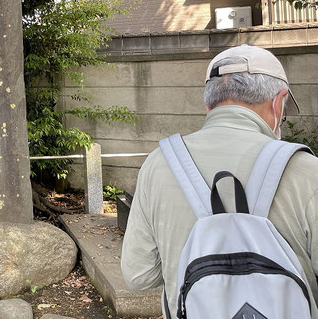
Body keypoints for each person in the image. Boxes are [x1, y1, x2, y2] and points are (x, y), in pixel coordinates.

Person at [121, 44, 318, 317]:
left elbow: (138, 275)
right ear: (277, 101)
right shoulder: (308, 171)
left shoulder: (159, 164)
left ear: (208, 106)